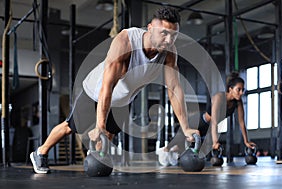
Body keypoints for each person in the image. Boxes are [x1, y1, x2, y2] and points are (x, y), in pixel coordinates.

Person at [30, 6, 200, 174]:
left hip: (123, 99)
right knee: (70, 127)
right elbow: (107, 85)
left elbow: (174, 89)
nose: (169, 40)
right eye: (164, 33)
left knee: (109, 134)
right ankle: (40, 152)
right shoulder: (126, 41)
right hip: (96, 92)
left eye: (174, 35)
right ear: (150, 28)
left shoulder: (169, 53)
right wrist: (99, 124)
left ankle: (96, 155)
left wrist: (185, 128)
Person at [158, 72, 256, 166]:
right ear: (230, 89)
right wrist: (215, 142)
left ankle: (174, 151)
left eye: (243, 90)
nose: (241, 92)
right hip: (199, 121)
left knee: (184, 146)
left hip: (207, 128)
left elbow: (242, 122)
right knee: (177, 140)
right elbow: (214, 121)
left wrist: (246, 141)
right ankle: (165, 150)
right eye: (238, 89)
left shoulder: (238, 102)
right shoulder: (219, 97)